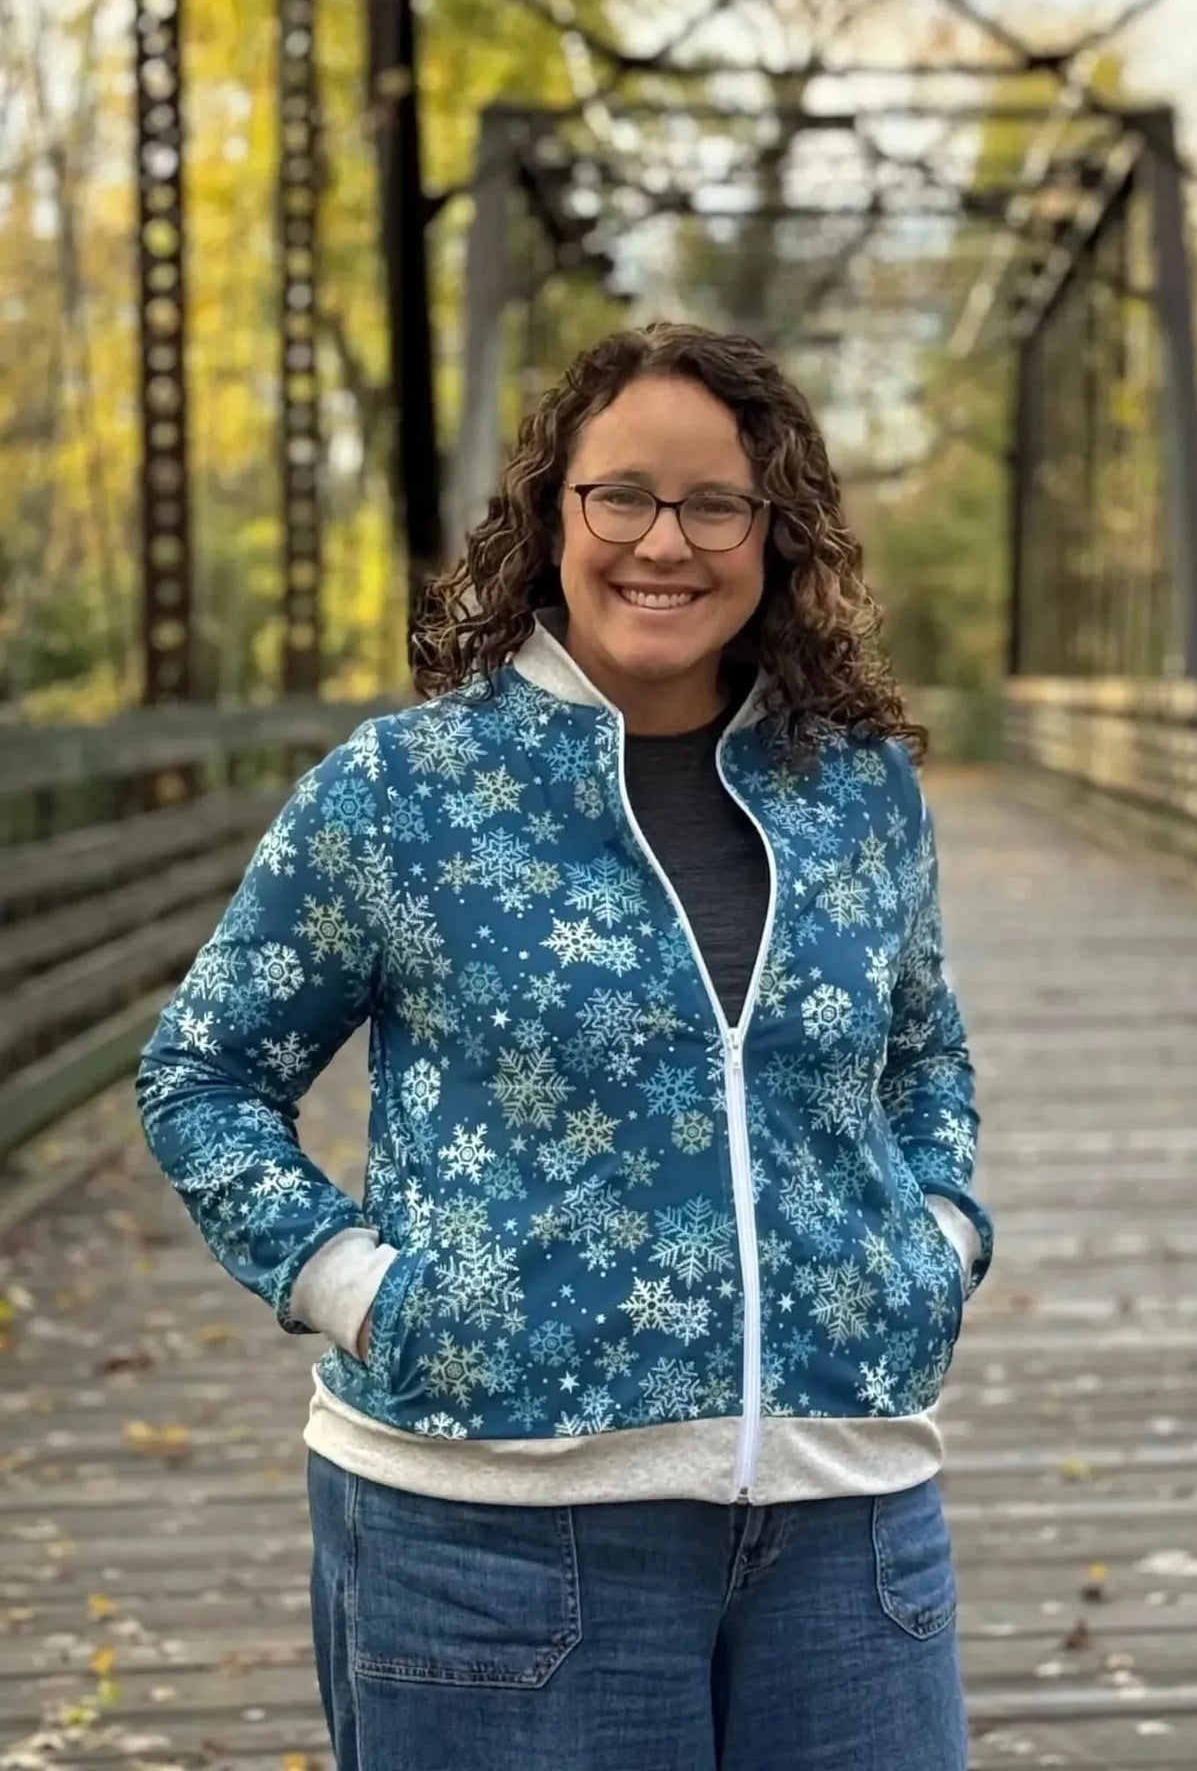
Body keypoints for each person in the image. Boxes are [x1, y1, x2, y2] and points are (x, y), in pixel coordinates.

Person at [137, 321, 992, 1770]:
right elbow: (203, 1073)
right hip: (494, 1538)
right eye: (621, 495)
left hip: (849, 1520)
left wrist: (940, 1240)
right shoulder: (408, 791)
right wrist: (365, 1294)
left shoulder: (858, 792)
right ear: (553, 517)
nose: (667, 540)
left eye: (716, 502)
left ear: (775, 535)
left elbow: (922, 1057)